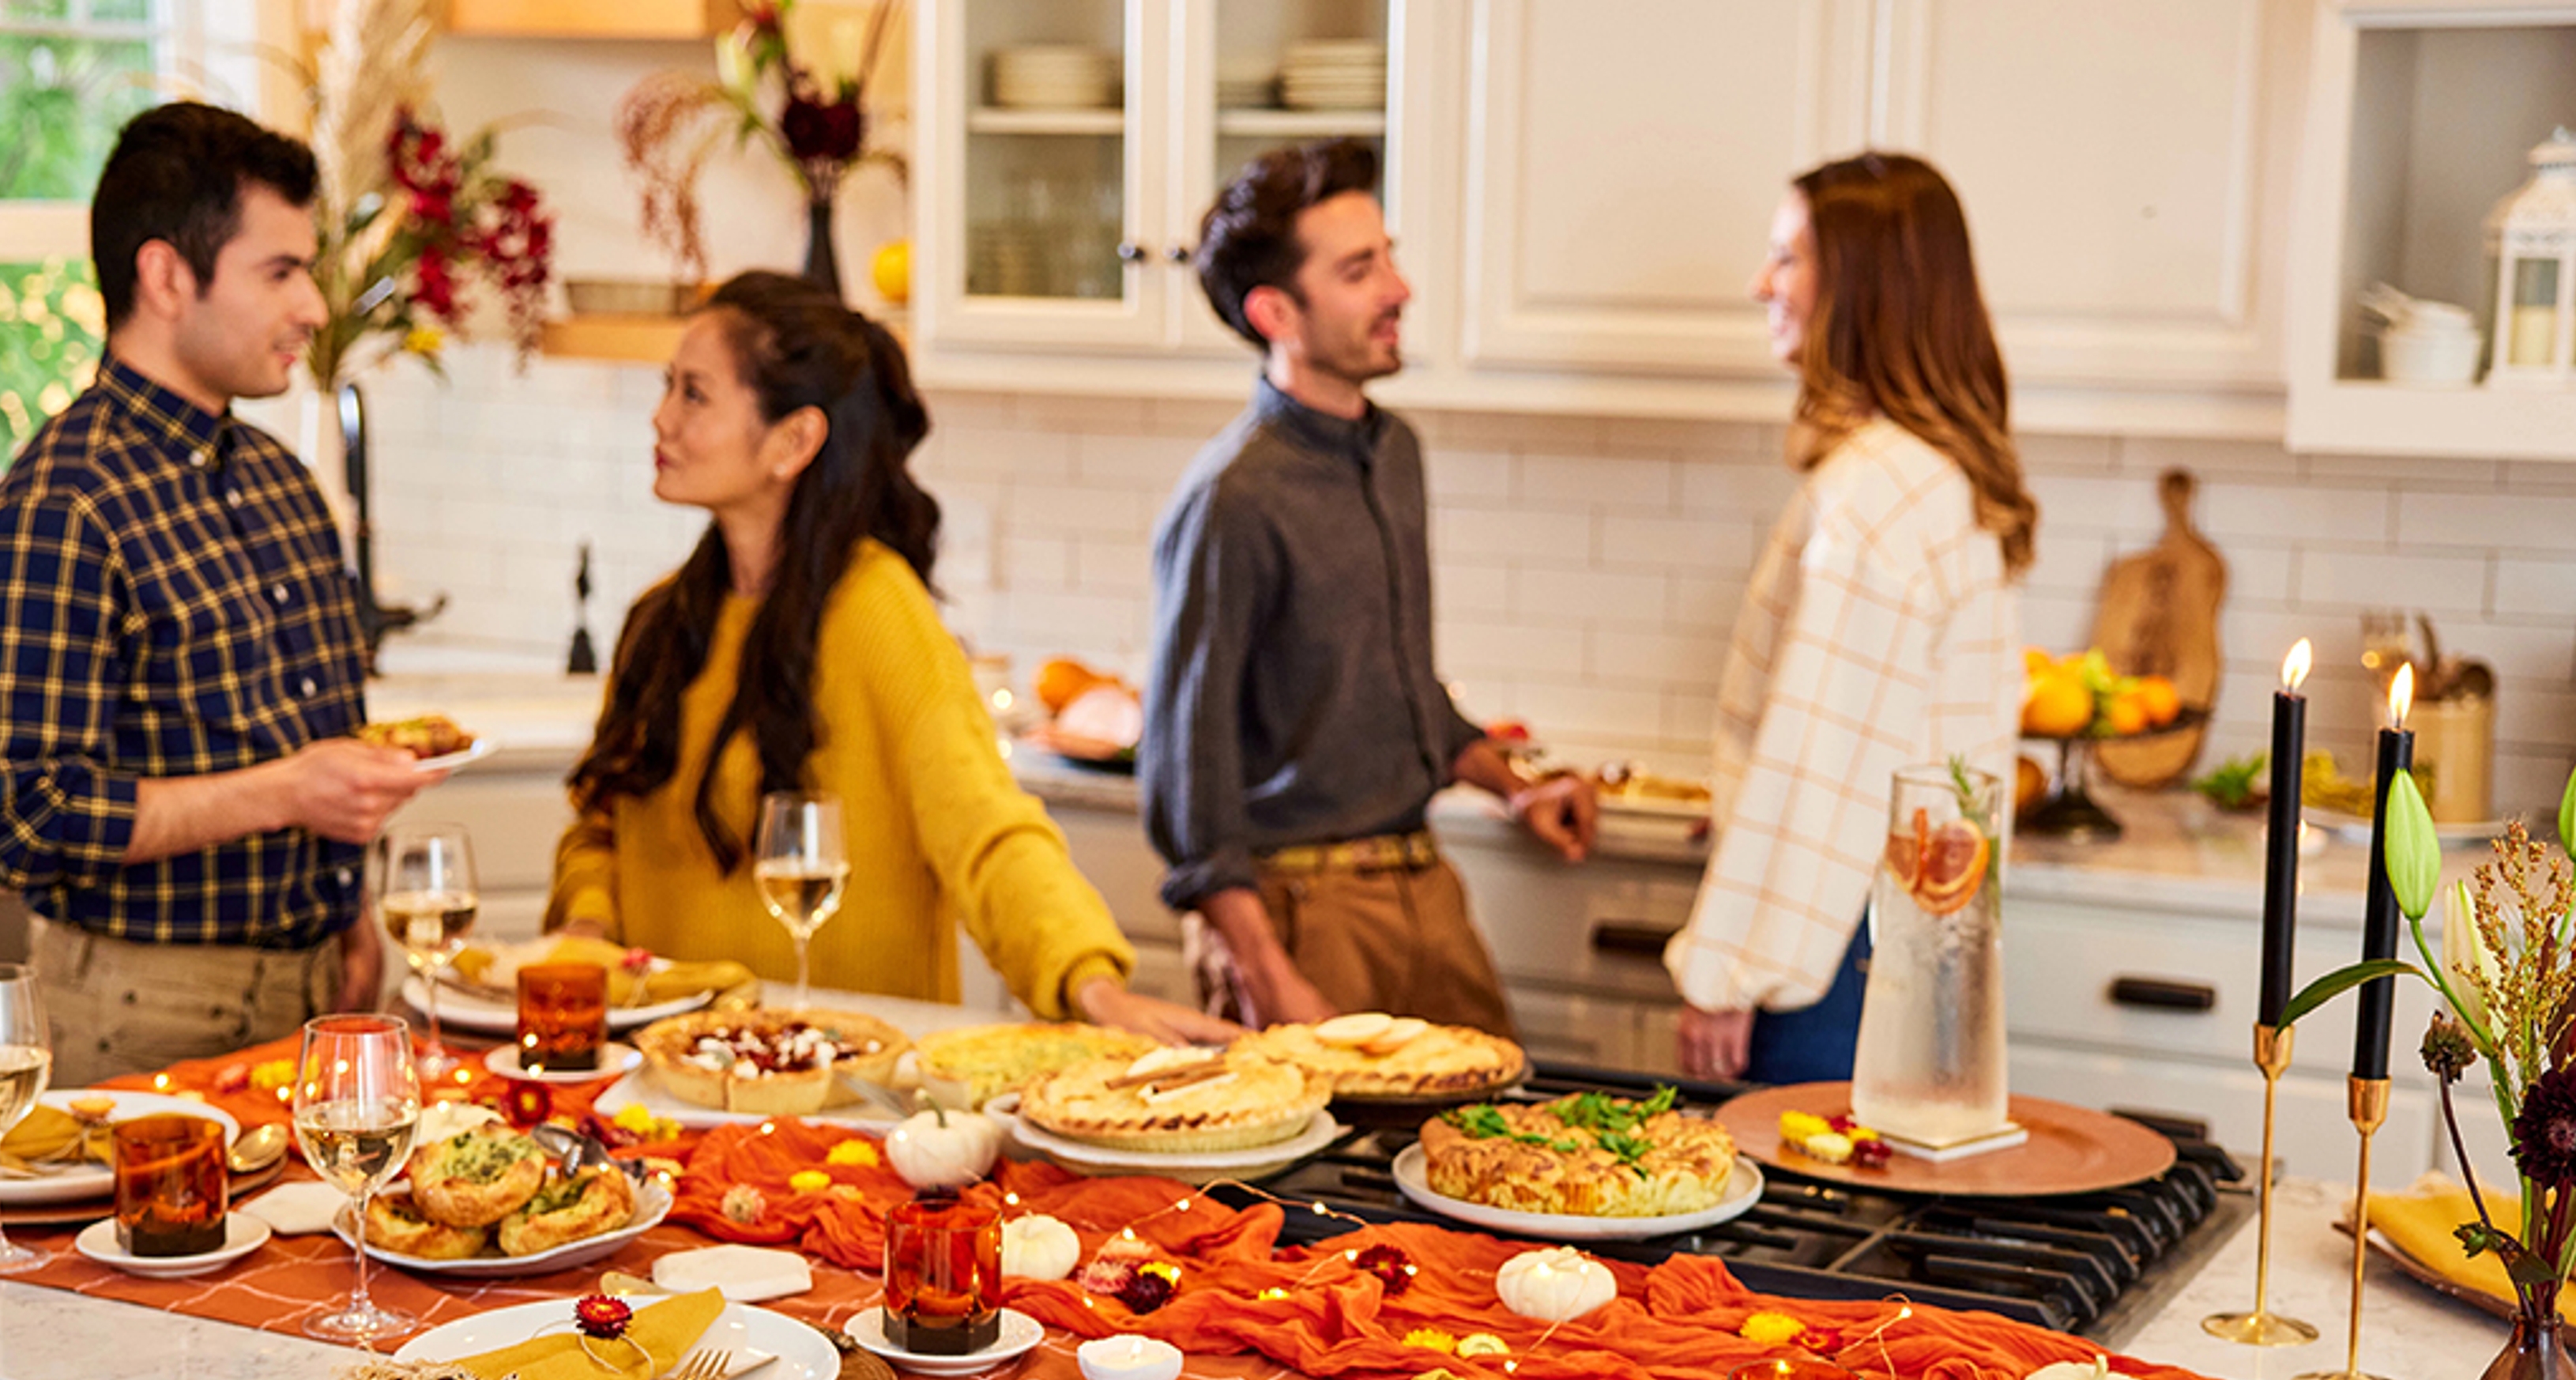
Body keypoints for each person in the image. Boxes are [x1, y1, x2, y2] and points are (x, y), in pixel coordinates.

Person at [547, 272, 1230, 1044]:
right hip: (661, 1071)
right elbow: (601, 826)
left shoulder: (877, 609)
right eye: (668, 387)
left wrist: (1091, 985)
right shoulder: (658, 622)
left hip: (843, 1089)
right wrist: (586, 928)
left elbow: (985, 828)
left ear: (795, 440)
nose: (661, 419)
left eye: (694, 395)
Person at [0, 103, 436, 1084]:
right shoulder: (60, 507)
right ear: (168, 276)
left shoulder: (280, 482)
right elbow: (16, 815)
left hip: (322, 985)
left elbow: (312, 732)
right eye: (282, 272)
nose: (312, 307)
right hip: (144, 1010)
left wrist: (349, 920)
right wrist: (282, 794)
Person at [1141, 140, 1598, 1035]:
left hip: (1424, 890)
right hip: (1301, 914)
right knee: (1317, 1182)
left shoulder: (1396, 455)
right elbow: (1184, 787)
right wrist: (1269, 976)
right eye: (1360, 270)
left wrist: (1514, 787)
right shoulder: (1231, 499)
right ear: (1277, 311)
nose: (1400, 289)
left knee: (1497, 1152)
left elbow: (1393, 686)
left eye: (1388, 256)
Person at [1665, 153, 2032, 1085]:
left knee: (1795, 1230)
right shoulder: (1928, 475)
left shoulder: (1871, 497)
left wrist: (1727, 972)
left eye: (1787, 258)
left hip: (1830, 966)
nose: (1761, 284)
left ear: (1862, 289)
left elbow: (1819, 761)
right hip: (1920, 941)